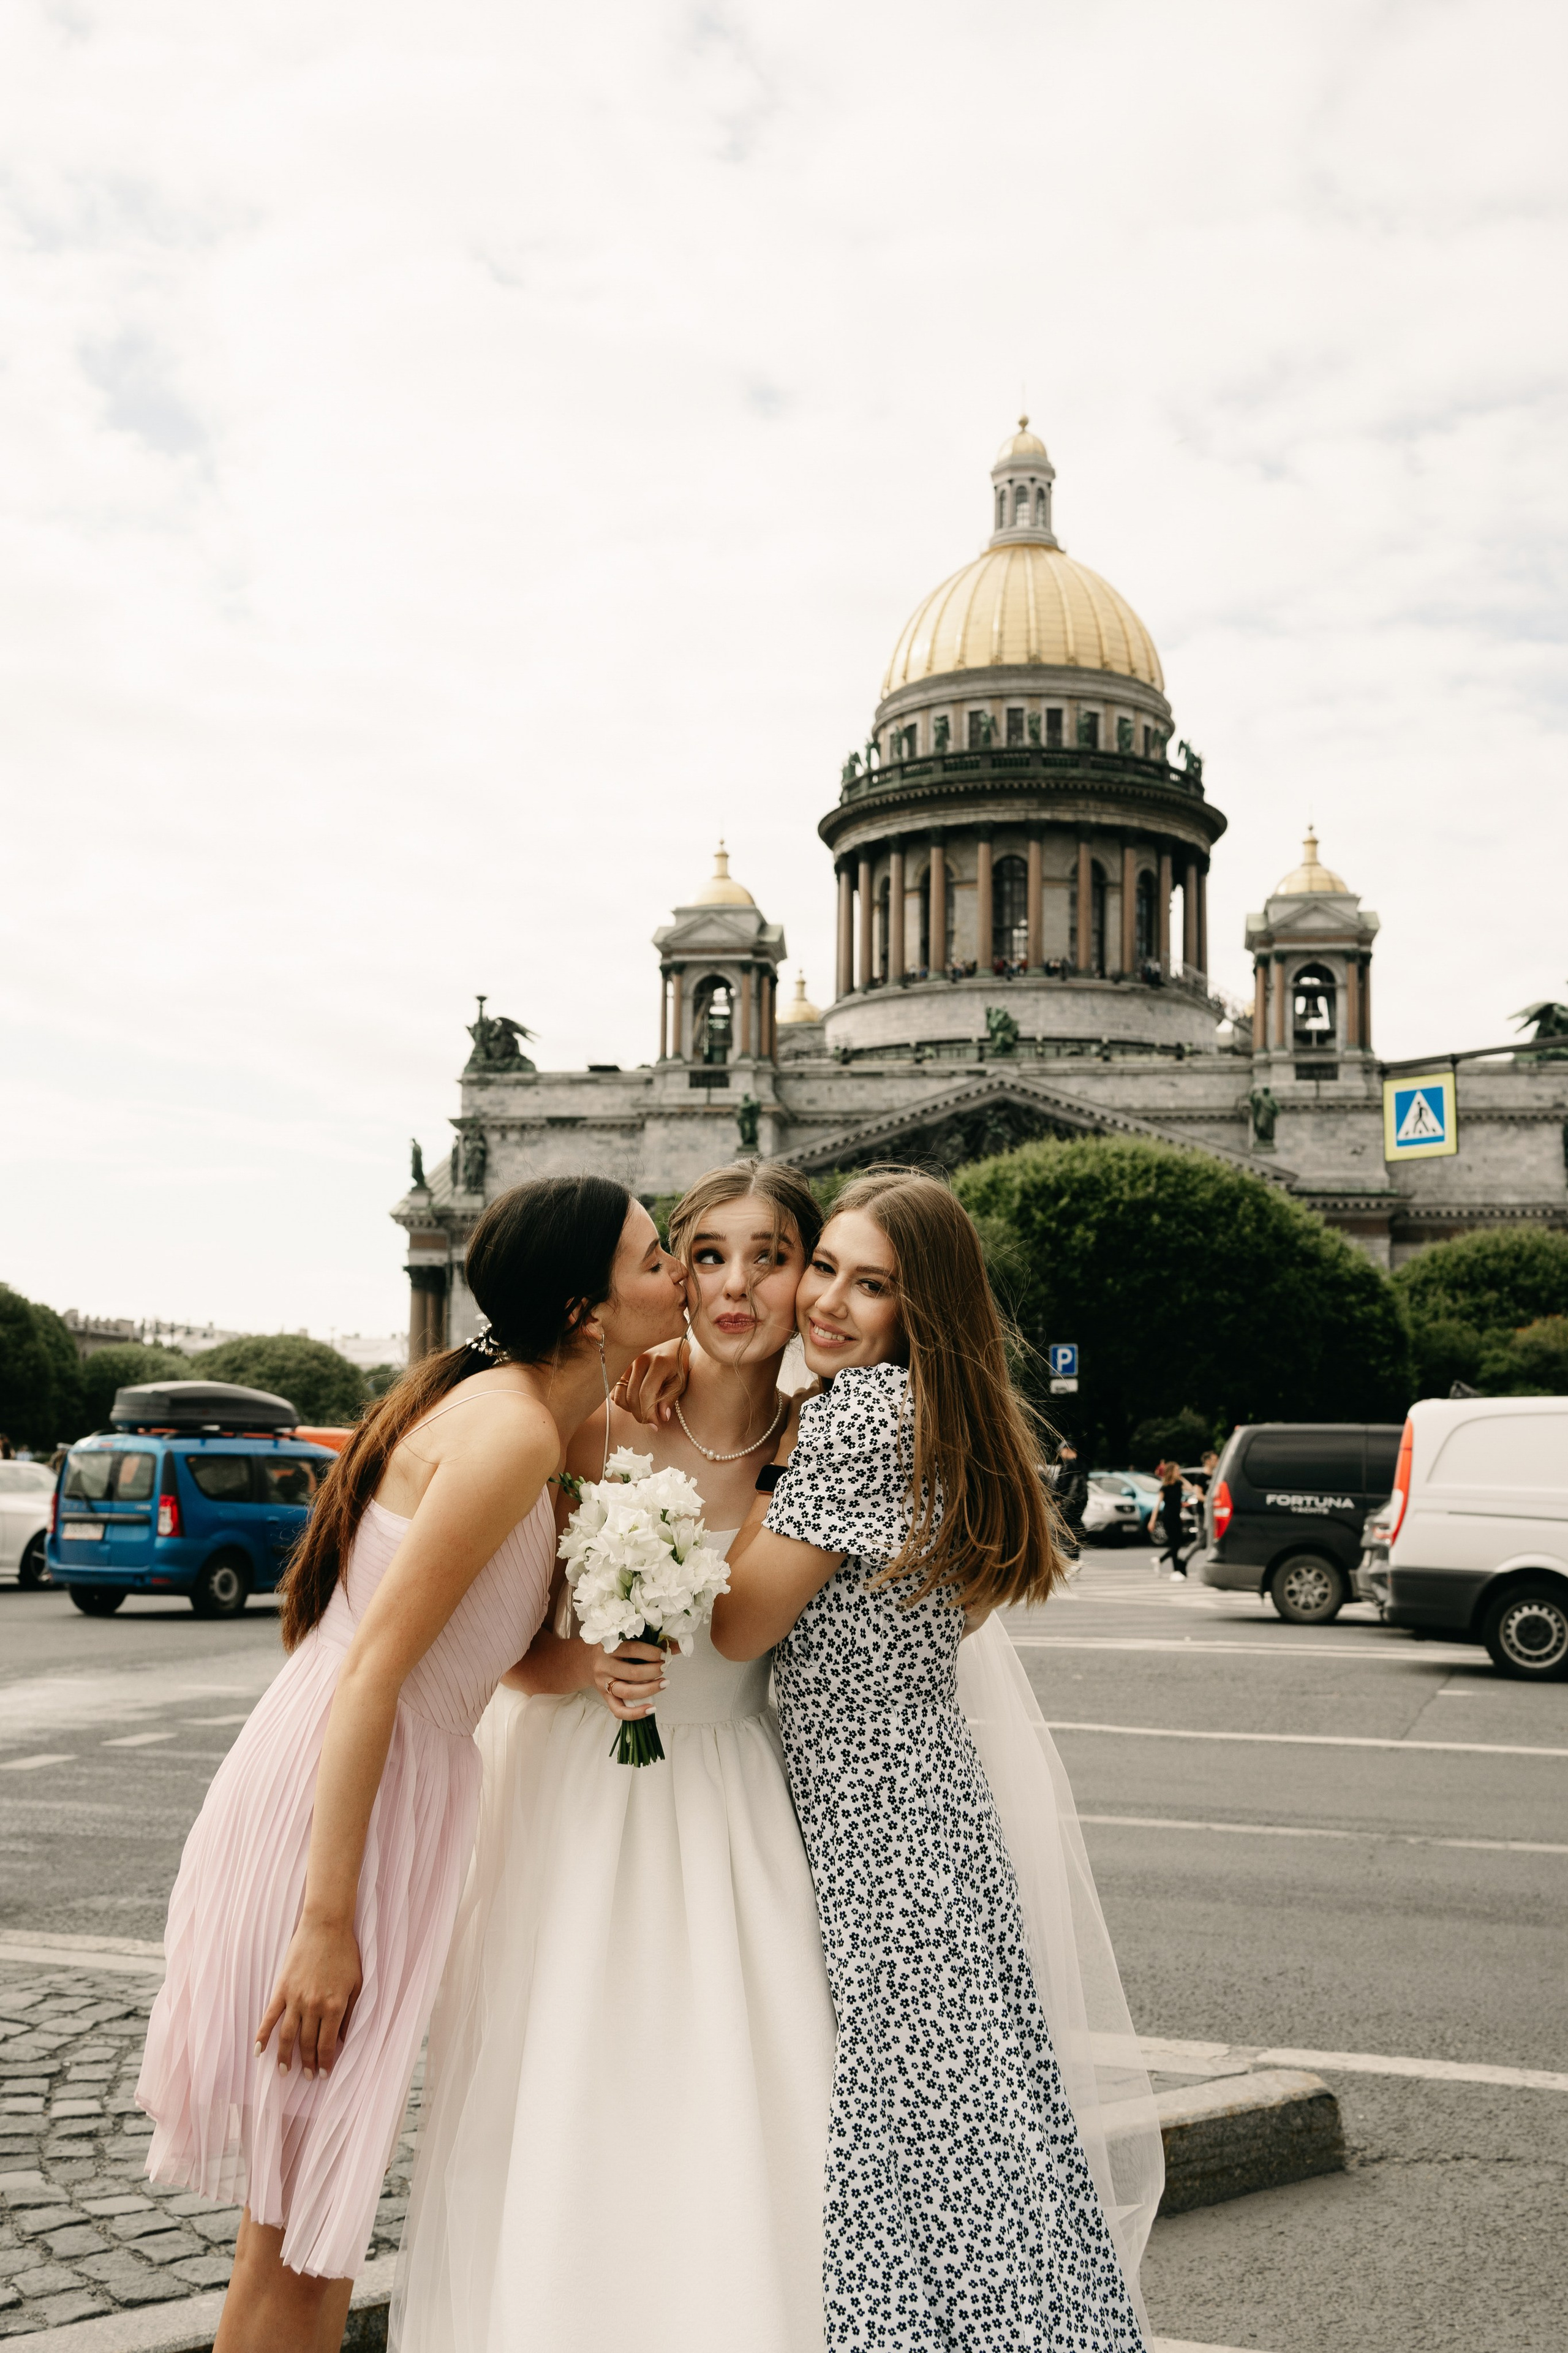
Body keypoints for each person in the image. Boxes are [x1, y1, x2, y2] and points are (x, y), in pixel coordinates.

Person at [137, 1177, 687, 2353]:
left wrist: (593, 1658)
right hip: (346, 1804)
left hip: (383, 1785)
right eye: (658, 1259)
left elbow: (491, 1659)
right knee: (297, 2252)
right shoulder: (507, 1433)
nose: (683, 1274)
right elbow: (375, 1675)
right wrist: (325, 1924)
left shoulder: (536, 1415)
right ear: (590, 1310)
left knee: (299, 2238)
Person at [391, 1162, 838, 2353]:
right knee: (574, 2101)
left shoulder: (827, 1435)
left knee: (739, 2105)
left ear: (809, 1276)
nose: (735, 1283)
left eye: (771, 1256)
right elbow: (514, 1648)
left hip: (735, 1799)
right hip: (582, 1795)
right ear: (671, 1279)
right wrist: (589, 1665)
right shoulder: (602, 1417)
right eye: (702, 1255)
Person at [713, 1169, 1158, 2351]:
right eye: (827, 1269)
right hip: (932, 1807)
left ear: (925, 1309)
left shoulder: (856, 1418)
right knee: (985, 2122)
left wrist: (734, 1479)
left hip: (872, 1823)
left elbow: (740, 1626)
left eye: (873, 1286)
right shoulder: (933, 1414)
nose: (827, 1303)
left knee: (905, 2133)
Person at [1155, 1458, 1193, 1576]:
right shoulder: (1165, 1487)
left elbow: (1190, 1488)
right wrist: (1152, 1521)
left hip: (1177, 1517)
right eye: (1177, 1470)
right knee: (1174, 1544)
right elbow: (1157, 1505)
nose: (1178, 1472)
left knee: (1178, 1543)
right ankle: (1176, 1571)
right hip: (1167, 1517)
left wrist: (1181, 1477)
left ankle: (1160, 1561)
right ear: (1171, 1471)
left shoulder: (1178, 1484)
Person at [1054, 1438, 1088, 1554]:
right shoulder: (1082, 1465)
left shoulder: (1069, 1464)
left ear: (1067, 1450)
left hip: (1068, 1503)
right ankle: (1075, 1556)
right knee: (1074, 1529)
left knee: (1067, 1530)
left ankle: (1071, 1556)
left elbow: (1064, 1485)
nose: (1061, 1455)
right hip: (1079, 1503)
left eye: (1061, 1451)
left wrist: (1058, 1499)